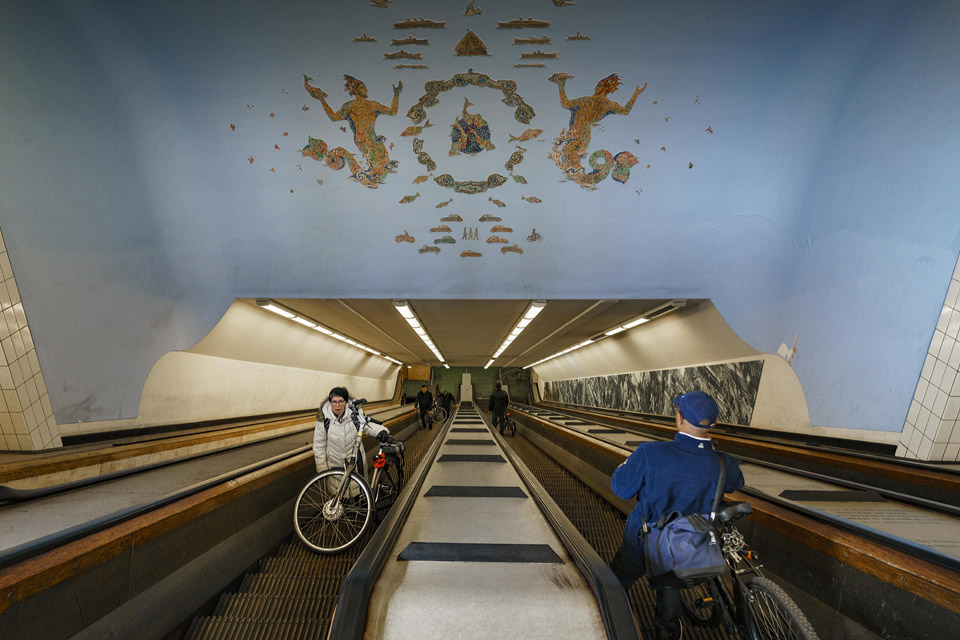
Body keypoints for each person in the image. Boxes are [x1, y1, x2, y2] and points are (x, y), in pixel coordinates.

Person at [609, 391, 745, 640]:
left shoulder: (651, 453)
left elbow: (621, 489)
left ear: (680, 418)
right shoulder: (724, 463)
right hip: (690, 544)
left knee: (616, 579)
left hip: (644, 541)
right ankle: (666, 631)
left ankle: (610, 621)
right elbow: (735, 482)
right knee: (670, 579)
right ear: (712, 424)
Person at [313, 387, 390, 484]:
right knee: (340, 495)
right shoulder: (324, 420)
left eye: (341, 401)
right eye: (334, 402)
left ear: (346, 402)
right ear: (330, 402)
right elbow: (319, 445)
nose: (337, 405)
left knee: (359, 492)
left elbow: (365, 425)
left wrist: (380, 430)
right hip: (335, 467)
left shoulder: (354, 414)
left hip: (357, 465)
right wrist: (323, 471)